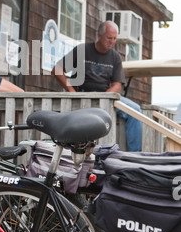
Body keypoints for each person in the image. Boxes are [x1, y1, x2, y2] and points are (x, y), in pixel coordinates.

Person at [52, 20, 142, 152]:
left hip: (107, 96)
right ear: (99, 35)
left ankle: (135, 155)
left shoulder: (115, 57)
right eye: (109, 38)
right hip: (84, 95)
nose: (112, 41)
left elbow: (117, 85)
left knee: (135, 110)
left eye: (114, 38)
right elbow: (57, 70)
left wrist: (104, 98)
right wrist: (71, 91)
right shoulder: (82, 50)